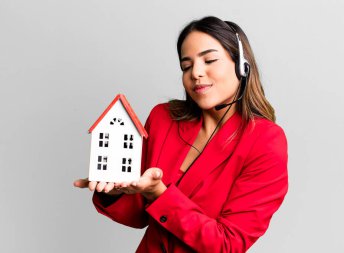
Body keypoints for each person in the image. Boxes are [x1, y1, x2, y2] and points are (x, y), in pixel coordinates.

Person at [74, 16, 288, 253]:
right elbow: (138, 216)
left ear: (242, 66)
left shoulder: (266, 141)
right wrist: (116, 192)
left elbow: (227, 244)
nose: (196, 73)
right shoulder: (163, 118)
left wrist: (159, 194)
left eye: (209, 60)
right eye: (186, 66)